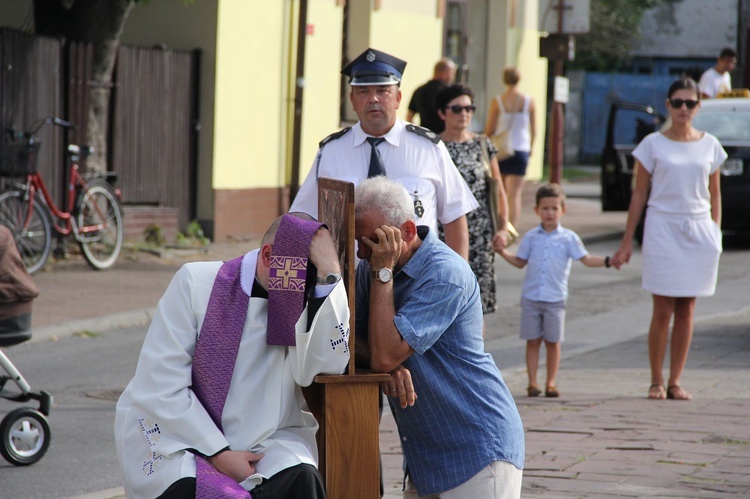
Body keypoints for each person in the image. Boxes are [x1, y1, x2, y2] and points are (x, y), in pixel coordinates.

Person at [114, 213, 351, 498]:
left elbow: (328, 364)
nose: (302, 294)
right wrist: (219, 452)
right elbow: (161, 384)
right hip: (183, 437)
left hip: (265, 439)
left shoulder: (304, 296)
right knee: (188, 487)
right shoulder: (196, 283)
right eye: (301, 280)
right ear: (268, 256)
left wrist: (330, 273)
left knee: (303, 478)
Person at [354, 176, 524, 498]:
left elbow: (384, 353)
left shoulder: (444, 273)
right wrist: (387, 367)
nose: (362, 253)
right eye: (357, 241)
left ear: (405, 231)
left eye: (371, 241)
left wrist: (383, 274)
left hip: (477, 449)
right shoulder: (372, 264)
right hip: (426, 456)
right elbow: (349, 339)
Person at [290, 48, 478, 261]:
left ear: (398, 98)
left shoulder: (428, 148)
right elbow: (302, 220)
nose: (373, 99)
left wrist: (457, 280)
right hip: (347, 281)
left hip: (416, 281)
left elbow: (454, 217)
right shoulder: (331, 151)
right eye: (363, 92)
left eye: (383, 91)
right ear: (352, 100)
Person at [611, 78, 726, 401]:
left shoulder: (710, 145)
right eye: (678, 103)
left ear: (698, 105)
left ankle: (676, 380)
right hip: (662, 226)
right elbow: (638, 195)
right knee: (662, 307)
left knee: (687, 308)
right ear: (668, 105)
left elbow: (715, 195)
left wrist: (715, 232)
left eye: (690, 103)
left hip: (698, 228)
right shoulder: (652, 144)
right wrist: (626, 241)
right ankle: (656, 380)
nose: (684, 109)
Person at [497, 184, 615, 398]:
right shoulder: (531, 237)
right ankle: (532, 383)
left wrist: (608, 261)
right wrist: (503, 252)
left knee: (553, 342)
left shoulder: (569, 238)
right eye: (545, 208)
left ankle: (551, 383)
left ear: (563, 210)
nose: (549, 213)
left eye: (554, 208)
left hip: (555, 298)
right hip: (531, 297)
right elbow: (520, 261)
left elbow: (586, 259)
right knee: (532, 341)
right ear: (536, 211)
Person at [435, 83, 509, 315]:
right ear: (442, 113)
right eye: (457, 109)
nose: (464, 114)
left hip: (480, 237)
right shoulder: (432, 146)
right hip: (442, 236)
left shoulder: (482, 144)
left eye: (469, 108)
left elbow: (498, 190)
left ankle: (473, 351)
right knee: (442, 300)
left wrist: (503, 227)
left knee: (476, 307)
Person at [483, 67, 536, 230]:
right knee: (516, 194)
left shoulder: (498, 101)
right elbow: (534, 128)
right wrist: (531, 147)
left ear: (504, 79)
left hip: (502, 150)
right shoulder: (529, 100)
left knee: (502, 192)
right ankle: (512, 229)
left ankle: (501, 226)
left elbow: (490, 129)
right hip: (522, 148)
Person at [406, 57, 457, 134]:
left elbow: (409, 117)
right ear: (445, 73)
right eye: (453, 74)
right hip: (445, 139)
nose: (453, 78)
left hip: (425, 138)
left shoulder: (419, 90)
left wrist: (417, 134)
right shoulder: (449, 92)